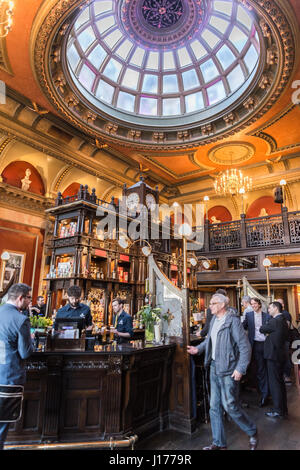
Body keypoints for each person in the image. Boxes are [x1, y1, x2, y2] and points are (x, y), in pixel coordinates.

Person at [187, 293, 258, 450]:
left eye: (212, 303)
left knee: (230, 406)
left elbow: (245, 347)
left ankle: (252, 431)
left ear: (221, 305)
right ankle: (219, 442)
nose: (209, 306)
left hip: (228, 369)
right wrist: (197, 349)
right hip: (214, 367)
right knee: (214, 407)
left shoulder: (232, 322)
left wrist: (240, 368)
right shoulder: (213, 321)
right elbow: (208, 341)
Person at [0, 283, 34, 450]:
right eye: (29, 298)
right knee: (1, 425)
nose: (30, 302)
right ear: (21, 298)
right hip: (9, 377)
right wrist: (31, 338)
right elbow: (26, 352)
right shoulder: (21, 319)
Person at [259, 301, 289, 418]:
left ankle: (277, 410)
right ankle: (283, 408)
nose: (268, 310)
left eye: (270, 308)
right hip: (280, 355)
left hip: (273, 355)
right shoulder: (283, 320)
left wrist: (267, 330)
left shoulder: (275, 321)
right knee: (280, 382)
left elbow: (262, 329)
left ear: (276, 308)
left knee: (274, 383)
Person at [242, 298, 270, 407]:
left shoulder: (266, 316)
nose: (253, 305)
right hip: (254, 345)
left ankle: (266, 393)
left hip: (266, 345)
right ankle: (263, 393)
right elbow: (242, 326)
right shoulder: (248, 315)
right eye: (251, 304)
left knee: (265, 369)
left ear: (259, 304)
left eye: (255, 304)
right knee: (258, 369)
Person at [276, 299, 292, 384]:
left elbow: (287, 326)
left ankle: (287, 376)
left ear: (283, 304)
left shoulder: (285, 314)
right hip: (279, 340)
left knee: (285, 357)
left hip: (285, 340)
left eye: (279, 303)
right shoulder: (277, 314)